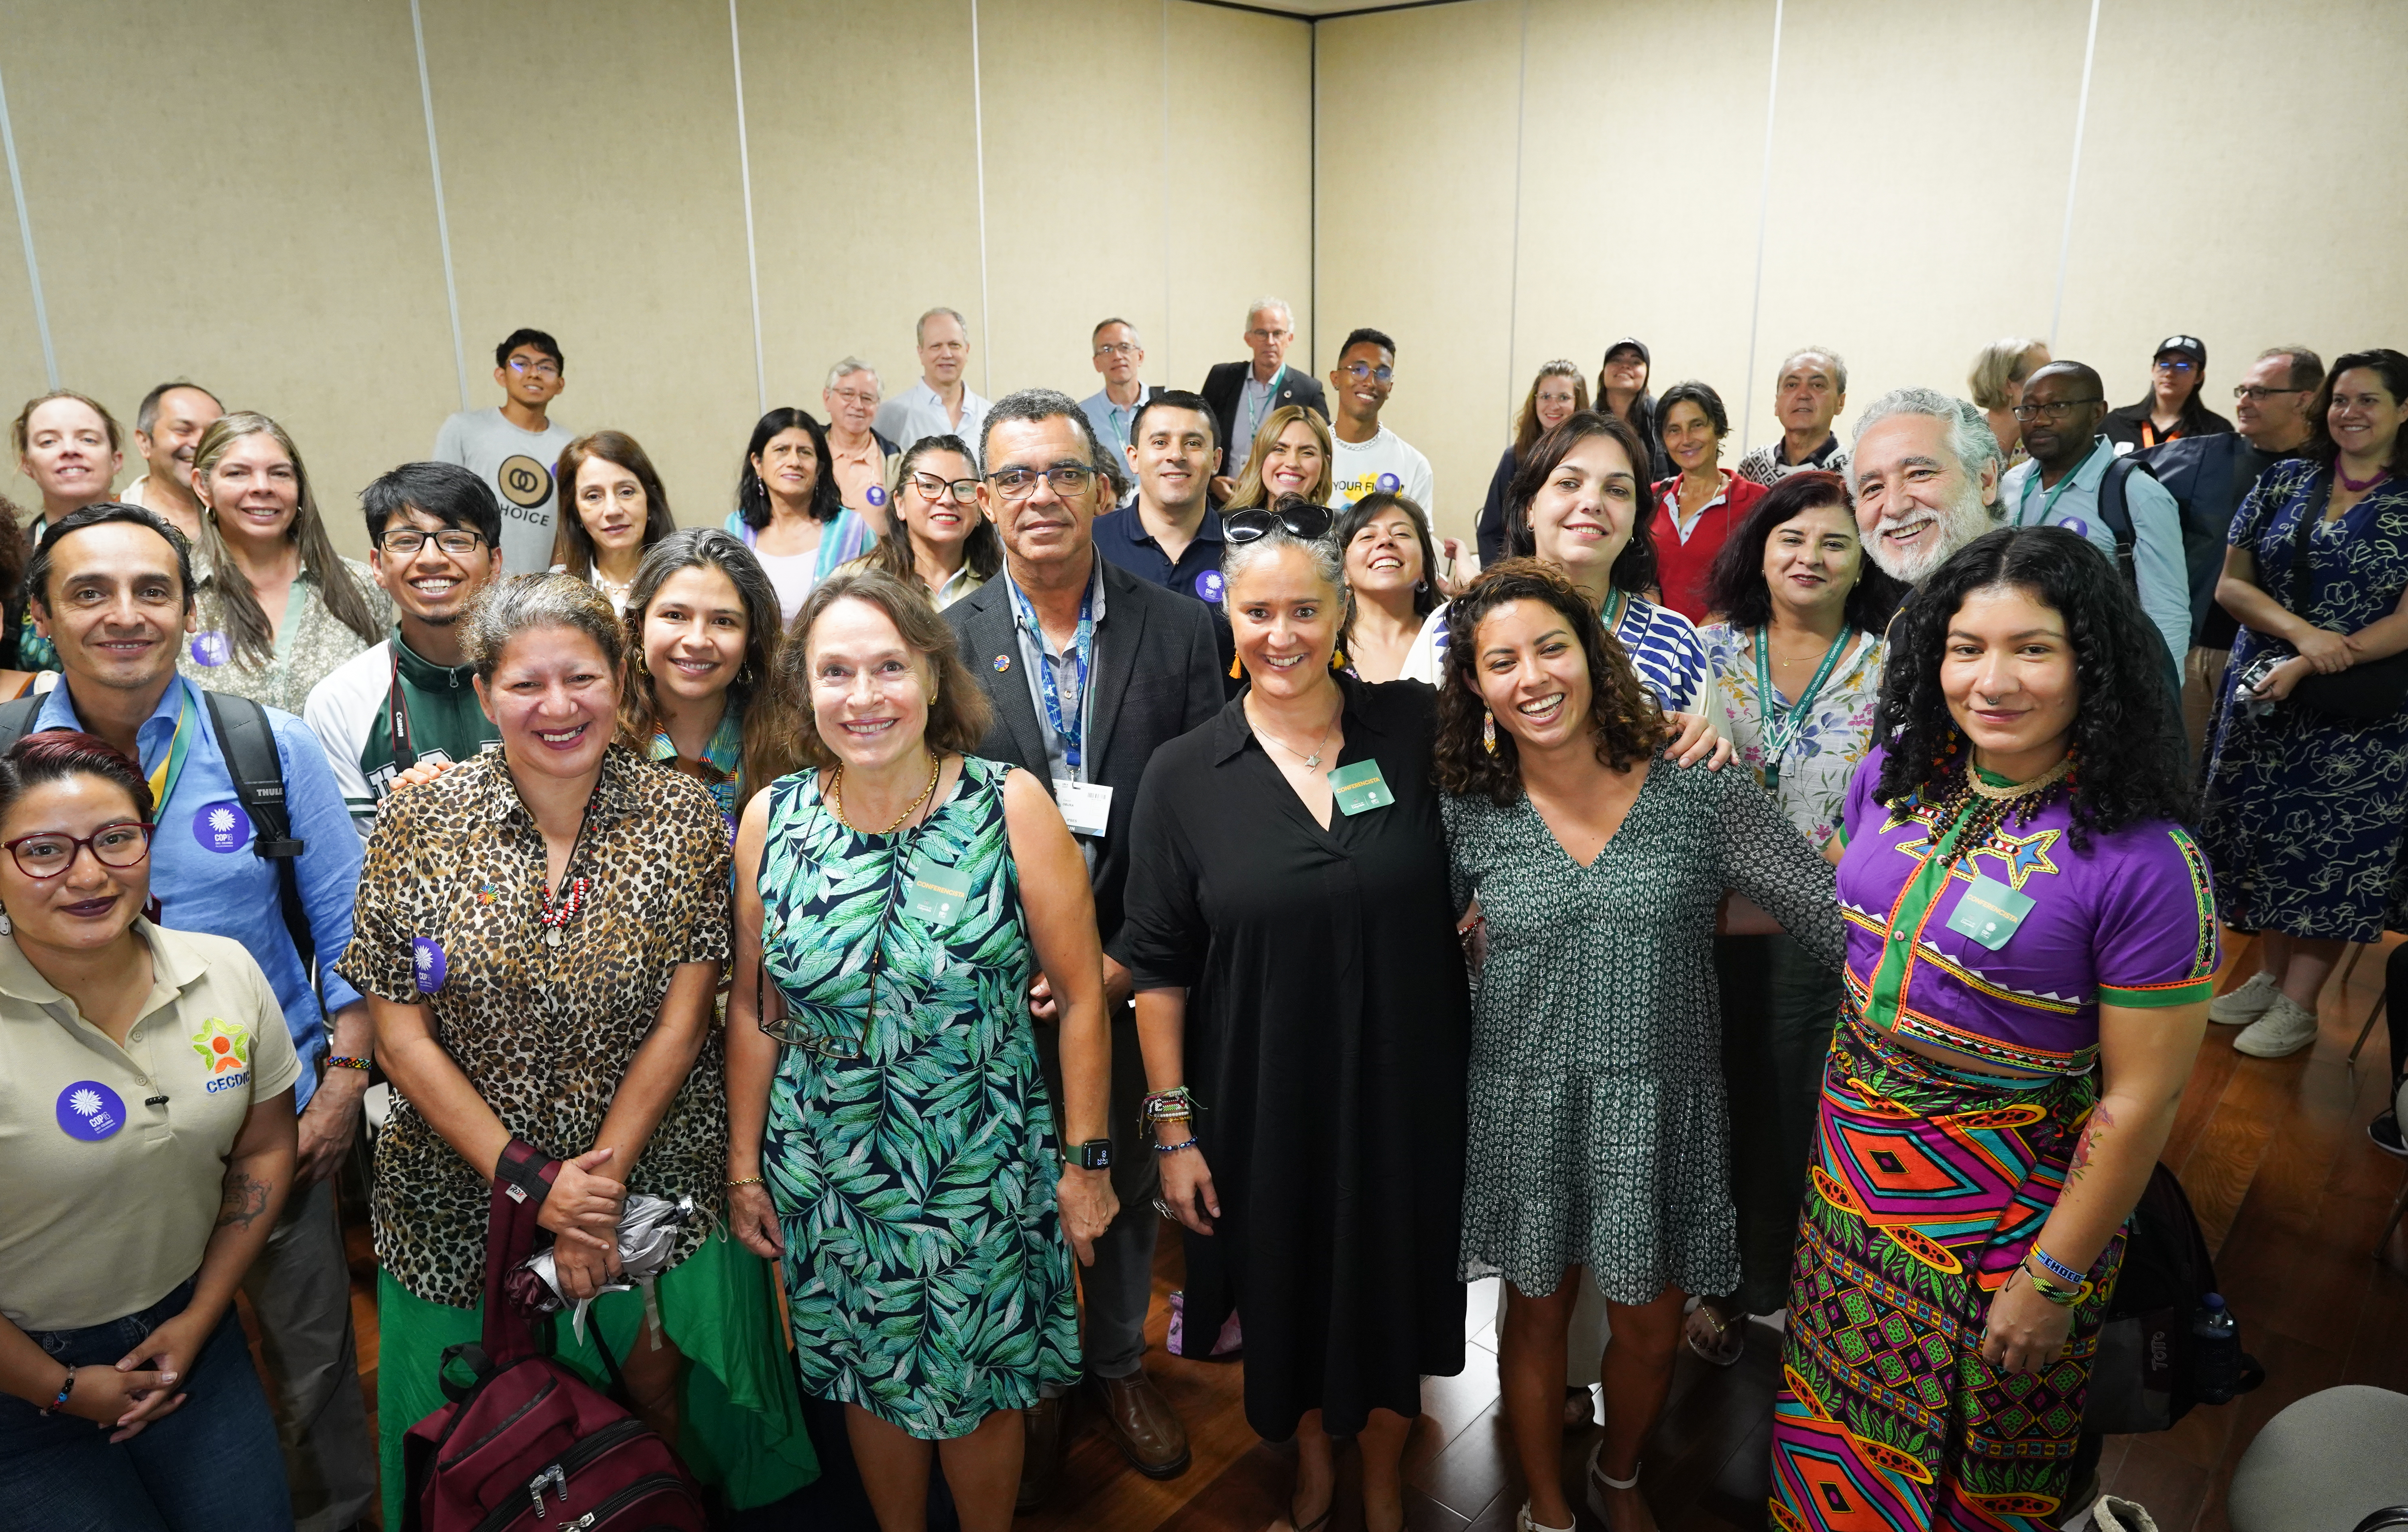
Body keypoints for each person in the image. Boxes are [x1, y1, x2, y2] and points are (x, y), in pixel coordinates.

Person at [348, 574, 816, 1528]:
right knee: (487, 1440)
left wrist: (589, 1196)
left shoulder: (682, 818)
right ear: (483, 695)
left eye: (584, 679)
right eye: (527, 685)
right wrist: (533, 1183)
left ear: (621, 683)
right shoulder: (418, 821)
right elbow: (400, 1036)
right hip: (459, 1198)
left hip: (645, 1178)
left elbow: (686, 1022)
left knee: (650, 1414)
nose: (558, 708)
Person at [1775, 525, 2214, 1532]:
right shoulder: (1895, 774)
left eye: (2034, 649)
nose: (1993, 680)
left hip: (2011, 1212)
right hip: (1851, 1175)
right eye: (1967, 647)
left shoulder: (2146, 862)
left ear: (2090, 666)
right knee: (1831, 1413)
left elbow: (2143, 1097)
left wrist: (2052, 1279)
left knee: (1976, 1457)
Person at [1436, 558, 1841, 1532]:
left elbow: (1824, 914)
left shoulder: (1696, 786)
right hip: (1523, 1101)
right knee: (1534, 1317)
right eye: (1501, 661)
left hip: (1661, 1101)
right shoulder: (1465, 809)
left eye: (1550, 647)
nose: (1531, 676)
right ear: (1477, 688)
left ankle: (1618, 1473)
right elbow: (1411, 948)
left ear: (1594, 655)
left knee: (1651, 1326)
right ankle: (1545, 1503)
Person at [727, 568, 1112, 1532]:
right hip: (832, 1170)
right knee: (867, 1380)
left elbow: (1081, 998)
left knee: (977, 1389)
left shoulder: (1006, 804)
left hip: (979, 1166)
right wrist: (744, 1169)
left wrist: (1086, 1163)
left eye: (889, 668)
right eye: (836, 673)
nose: (864, 698)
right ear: (804, 691)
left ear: (935, 680)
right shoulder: (772, 821)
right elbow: (752, 1008)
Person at [21, 501, 375, 1531]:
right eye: (89, 591)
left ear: (188, 608)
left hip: (268, 1133)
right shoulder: (7, 764)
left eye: (152, 590)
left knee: (314, 1377)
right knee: (108, 1393)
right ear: (42, 614)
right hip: (64, 1159)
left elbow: (351, 934)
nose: (124, 615)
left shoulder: (269, 746)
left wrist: (343, 1085)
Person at [1121, 510, 1471, 1532]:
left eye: (1305, 610)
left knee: (1402, 1287)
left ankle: (1382, 1480)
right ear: (1228, 619)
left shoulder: (1415, 726)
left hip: (1412, 1087)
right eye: (1258, 611)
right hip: (1268, 1095)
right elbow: (1159, 969)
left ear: (1341, 612)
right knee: (1295, 1288)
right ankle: (1316, 1470)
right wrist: (1175, 1131)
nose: (1282, 634)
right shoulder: (1186, 775)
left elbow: (1547, 775)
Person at [944, 389, 1223, 1505]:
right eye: (1013, 478)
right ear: (981, 500)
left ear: (1100, 487)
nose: (1039, 496)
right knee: (1010, 1187)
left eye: (1061, 473)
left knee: (1116, 1182)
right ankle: (1029, 1380)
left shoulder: (1180, 628)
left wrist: (1121, 961)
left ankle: (1112, 1367)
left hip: (1136, 965)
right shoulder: (947, 641)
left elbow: (1203, 808)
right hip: (996, 979)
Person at [0, 731, 303, 1532]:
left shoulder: (225, 972)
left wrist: (203, 1317)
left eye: (116, 838)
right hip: (17, 1385)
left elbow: (267, 1145)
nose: (90, 875)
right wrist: (58, 1387)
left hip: (191, 1341)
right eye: (42, 851)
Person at [1689, 471, 1899, 1363]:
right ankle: (1710, 1281)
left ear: (1863, 566)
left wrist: (1812, 876)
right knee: (1709, 1104)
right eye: (1790, 539)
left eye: (1832, 544)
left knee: (1794, 1104)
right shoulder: (1702, 651)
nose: (1808, 557)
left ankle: (1785, 1284)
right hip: (1701, 922)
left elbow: (1895, 805)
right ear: (1757, 552)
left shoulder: (1889, 667)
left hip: (1819, 927)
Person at [2199, 349, 2408, 1060]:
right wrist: (2298, 638)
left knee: (2327, 849)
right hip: (2262, 690)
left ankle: (2299, 1004)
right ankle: (2265, 976)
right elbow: (2232, 584)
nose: (2347, 413)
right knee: (2260, 839)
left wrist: (2315, 659)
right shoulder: (2286, 477)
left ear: (2402, 411)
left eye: (2368, 401)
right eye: (2339, 399)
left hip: (2361, 711)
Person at [1403, 412, 1724, 732]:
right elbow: (1407, 755)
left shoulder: (1675, 641)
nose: (1591, 502)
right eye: (1568, 483)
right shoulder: (1452, 628)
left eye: (1616, 490)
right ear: (1530, 508)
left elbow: (1712, 768)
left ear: (1634, 522)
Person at [303, 462, 507, 833]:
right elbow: (355, 861)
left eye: (457, 539)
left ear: (494, 563)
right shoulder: (340, 701)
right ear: (378, 566)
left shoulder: (546, 684)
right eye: (406, 541)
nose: (431, 559)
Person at [2141, 346, 2325, 756]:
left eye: (2258, 393)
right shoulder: (2199, 456)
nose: (2242, 402)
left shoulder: (2336, 474)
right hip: (2193, 649)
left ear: (2305, 399)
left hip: (2283, 658)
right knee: (2175, 773)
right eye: (2241, 390)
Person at [178, 413, 389, 713]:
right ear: (202, 486)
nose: (262, 487)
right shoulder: (177, 591)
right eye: (238, 473)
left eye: (280, 474)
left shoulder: (364, 585)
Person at [2001, 362, 2193, 674]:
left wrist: (2160, 700)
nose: (2039, 420)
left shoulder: (2138, 494)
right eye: (2029, 408)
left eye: (2056, 407)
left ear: (2096, 412)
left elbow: (2167, 611)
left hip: (2095, 677)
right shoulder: (2011, 484)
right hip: (2010, 667)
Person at [619, 528, 800, 822]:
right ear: (639, 625)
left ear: (750, 637)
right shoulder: (597, 739)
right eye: (675, 616)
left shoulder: (790, 746)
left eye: (723, 621)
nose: (697, 641)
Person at [432, 327, 576, 577]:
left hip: (536, 592)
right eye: (521, 364)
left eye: (546, 367)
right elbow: (438, 508)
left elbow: (568, 524)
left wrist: (557, 577)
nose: (534, 373)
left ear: (560, 384)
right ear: (501, 375)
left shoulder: (571, 447)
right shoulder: (463, 429)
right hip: (471, 582)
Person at [725, 407, 875, 623]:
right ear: (758, 463)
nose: (794, 462)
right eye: (782, 450)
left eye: (805, 452)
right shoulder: (737, 529)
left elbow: (880, 605)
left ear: (820, 468)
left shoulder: (853, 531)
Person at [12, 390, 125, 672]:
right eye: (49, 441)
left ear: (116, 460)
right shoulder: (10, 560)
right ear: (27, 464)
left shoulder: (164, 545)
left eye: (88, 439)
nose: (70, 450)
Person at [1847, 386, 2007, 585]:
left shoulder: (2031, 602)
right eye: (1874, 488)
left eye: (1919, 474)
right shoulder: (1911, 606)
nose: (1894, 507)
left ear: (1985, 481)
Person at [1093, 390, 1229, 609]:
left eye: (1193, 443)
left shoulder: (1244, 546)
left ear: (1215, 460)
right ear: (1134, 459)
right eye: (1160, 442)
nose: (1176, 455)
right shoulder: (1091, 542)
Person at [1650, 379, 1767, 621]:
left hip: (1727, 648)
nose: (1686, 439)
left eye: (1697, 425)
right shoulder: (1652, 499)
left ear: (1719, 428)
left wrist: (1700, 638)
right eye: (1674, 430)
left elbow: (1762, 585)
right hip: (1661, 647)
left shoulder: (1758, 502)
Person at [1201, 297, 1328, 500]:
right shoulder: (1222, 379)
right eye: (1261, 333)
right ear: (1248, 338)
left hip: (1277, 501)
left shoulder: (1308, 390)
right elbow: (1200, 437)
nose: (1270, 342)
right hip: (1221, 499)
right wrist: (1209, 481)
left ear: (1290, 339)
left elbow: (1322, 450)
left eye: (1278, 333)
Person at [857, 435, 1000, 610]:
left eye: (963, 488)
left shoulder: (1006, 584)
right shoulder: (858, 583)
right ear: (900, 504)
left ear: (980, 509)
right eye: (930, 486)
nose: (948, 500)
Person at [550, 430, 677, 615]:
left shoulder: (685, 581)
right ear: (575, 511)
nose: (613, 511)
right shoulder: (556, 589)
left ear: (650, 499)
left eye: (626, 492)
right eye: (593, 496)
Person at [1478, 361, 1587, 563]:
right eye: (1545, 396)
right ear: (1535, 401)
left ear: (1578, 403)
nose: (1553, 406)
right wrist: (1500, 582)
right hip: (1520, 573)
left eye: (1563, 397)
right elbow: (1490, 531)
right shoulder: (1514, 457)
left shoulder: (1591, 459)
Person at [1335, 491, 1445, 684]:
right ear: (1344, 570)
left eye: (1402, 534)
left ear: (1424, 567)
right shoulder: (1323, 645)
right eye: (1368, 536)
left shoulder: (1454, 640)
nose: (1386, 541)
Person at [1326, 328, 1435, 513]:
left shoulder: (1413, 465)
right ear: (1336, 379)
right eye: (1358, 370)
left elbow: (1418, 537)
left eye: (1382, 374)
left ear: (1390, 387)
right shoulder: (1309, 453)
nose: (1370, 382)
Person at [873, 306, 991, 461]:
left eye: (954, 345)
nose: (947, 354)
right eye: (936, 346)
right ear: (921, 352)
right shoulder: (889, 416)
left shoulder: (992, 416)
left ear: (967, 350)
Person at [121, 381, 224, 543]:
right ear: (145, 442)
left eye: (212, 433)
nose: (199, 443)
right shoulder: (114, 520)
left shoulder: (241, 517)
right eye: (183, 431)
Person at [1737, 347, 1850, 487]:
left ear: (1840, 402)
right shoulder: (1753, 466)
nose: (1803, 395)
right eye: (1792, 385)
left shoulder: (1852, 470)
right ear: (1777, 403)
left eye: (1817, 385)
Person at [2104, 334, 2234, 453]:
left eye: (2183, 366)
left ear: (2199, 376)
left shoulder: (2216, 432)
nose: (2170, 373)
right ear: (2153, 370)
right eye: (2164, 364)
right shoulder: (2115, 422)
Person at [1081, 319, 1158, 505]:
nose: (1117, 356)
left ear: (1140, 356)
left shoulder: (1167, 406)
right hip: (1109, 516)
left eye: (1125, 347)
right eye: (1107, 349)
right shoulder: (1081, 416)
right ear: (1096, 363)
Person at [822, 357, 902, 525]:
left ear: (877, 406)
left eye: (867, 398)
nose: (858, 405)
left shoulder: (898, 462)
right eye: (848, 395)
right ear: (827, 399)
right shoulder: (807, 453)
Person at [1222, 404, 1336, 514]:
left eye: (1307, 453)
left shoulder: (1341, 531)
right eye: (1280, 450)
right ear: (1260, 457)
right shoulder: (1226, 527)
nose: (1292, 463)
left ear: (1325, 464)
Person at [1969, 337, 2051, 468]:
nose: (2054, 383)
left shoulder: (2046, 445)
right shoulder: (1964, 443)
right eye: (2043, 376)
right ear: (2008, 385)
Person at [1597, 338, 1670, 483]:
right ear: (1604, 371)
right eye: (1617, 360)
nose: (1625, 366)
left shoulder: (1663, 416)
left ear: (1646, 375)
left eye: (1636, 362)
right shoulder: (1587, 421)